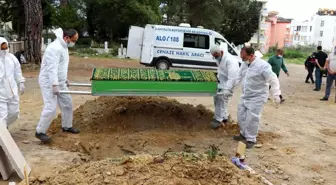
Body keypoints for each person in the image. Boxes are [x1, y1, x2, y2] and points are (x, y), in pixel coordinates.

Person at [35, 28, 79, 143]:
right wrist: (54, 84)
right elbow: (52, 69)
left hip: (59, 81)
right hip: (48, 81)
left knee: (67, 104)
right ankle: (40, 131)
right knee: (51, 107)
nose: (74, 43)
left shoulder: (64, 47)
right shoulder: (54, 48)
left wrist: (64, 80)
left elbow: (61, 67)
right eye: (73, 40)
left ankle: (67, 126)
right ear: (67, 38)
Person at [234, 46, 281, 149]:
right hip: (246, 95)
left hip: (257, 96)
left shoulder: (263, 66)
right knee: (241, 115)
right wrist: (229, 88)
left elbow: (273, 79)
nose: (243, 59)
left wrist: (276, 93)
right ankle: (243, 134)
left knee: (252, 118)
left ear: (251, 55)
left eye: (244, 57)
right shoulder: (245, 64)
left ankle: (251, 139)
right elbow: (238, 77)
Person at [210, 44, 239, 129]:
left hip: (231, 82)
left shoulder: (230, 61)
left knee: (221, 98)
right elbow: (220, 70)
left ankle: (218, 120)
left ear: (221, 52)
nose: (215, 58)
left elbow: (232, 77)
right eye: (214, 56)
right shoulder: (219, 57)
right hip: (223, 80)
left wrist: (227, 89)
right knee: (218, 97)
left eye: (216, 56)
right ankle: (225, 117)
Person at [0, 37, 25, 128]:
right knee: (2, 116)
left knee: (14, 113)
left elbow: (17, 71)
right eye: (2, 48)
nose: (4, 50)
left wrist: (21, 82)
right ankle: (3, 137)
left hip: (12, 91)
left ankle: (4, 128)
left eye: (6, 47)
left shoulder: (11, 58)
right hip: (1, 93)